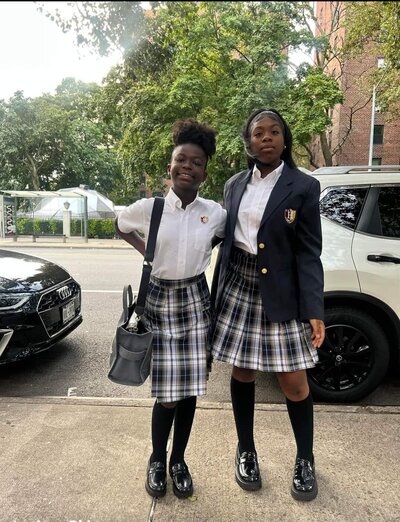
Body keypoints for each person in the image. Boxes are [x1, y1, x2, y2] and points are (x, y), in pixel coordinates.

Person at [211, 108, 325, 501]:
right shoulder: (234, 184)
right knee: (242, 372)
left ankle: (305, 460)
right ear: (249, 142)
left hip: (282, 293)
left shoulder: (304, 187)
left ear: (285, 139)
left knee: (294, 382)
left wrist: (314, 309)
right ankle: (246, 450)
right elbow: (224, 235)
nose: (266, 138)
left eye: (274, 132)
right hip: (239, 285)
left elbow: (309, 252)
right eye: (258, 133)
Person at [116, 119, 226, 499]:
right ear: (171, 165)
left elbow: (220, 240)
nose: (188, 167)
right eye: (182, 159)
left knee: (191, 390)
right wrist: (147, 252)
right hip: (159, 301)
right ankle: (157, 459)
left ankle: (180, 460)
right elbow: (120, 224)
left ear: (205, 171)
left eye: (196, 162)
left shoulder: (215, 213)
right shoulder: (151, 208)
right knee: (167, 393)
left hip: (196, 301)